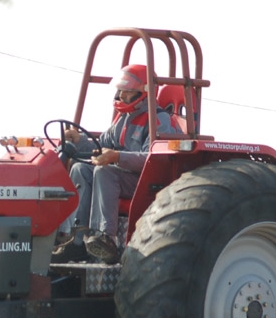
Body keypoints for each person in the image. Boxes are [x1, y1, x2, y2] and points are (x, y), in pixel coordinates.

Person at [53, 64, 182, 264]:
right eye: (120, 90)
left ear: (144, 92)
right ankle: (76, 241)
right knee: (80, 169)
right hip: (124, 175)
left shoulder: (159, 120)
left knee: (104, 172)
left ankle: (105, 239)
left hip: (147, 181)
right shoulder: (123, 119)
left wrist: (117, 157)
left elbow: (154, 159)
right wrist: (79, 141)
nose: (121, 95)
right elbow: (100, 146)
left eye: (127, 91)